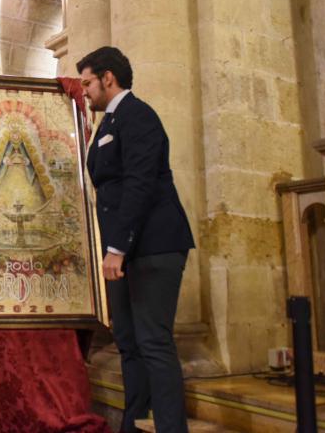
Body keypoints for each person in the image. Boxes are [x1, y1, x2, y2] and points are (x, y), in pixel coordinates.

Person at [78, 47, 195, 433]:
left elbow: (140, 185)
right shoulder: (109, 123)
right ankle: (134, 423)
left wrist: (117, 249)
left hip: (153, 246)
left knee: (153, 342)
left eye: (88, 83)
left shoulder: (138, 116)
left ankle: (169, 428)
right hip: (127, 252)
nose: (85, 92)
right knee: (127, 341)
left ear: (108, 78)